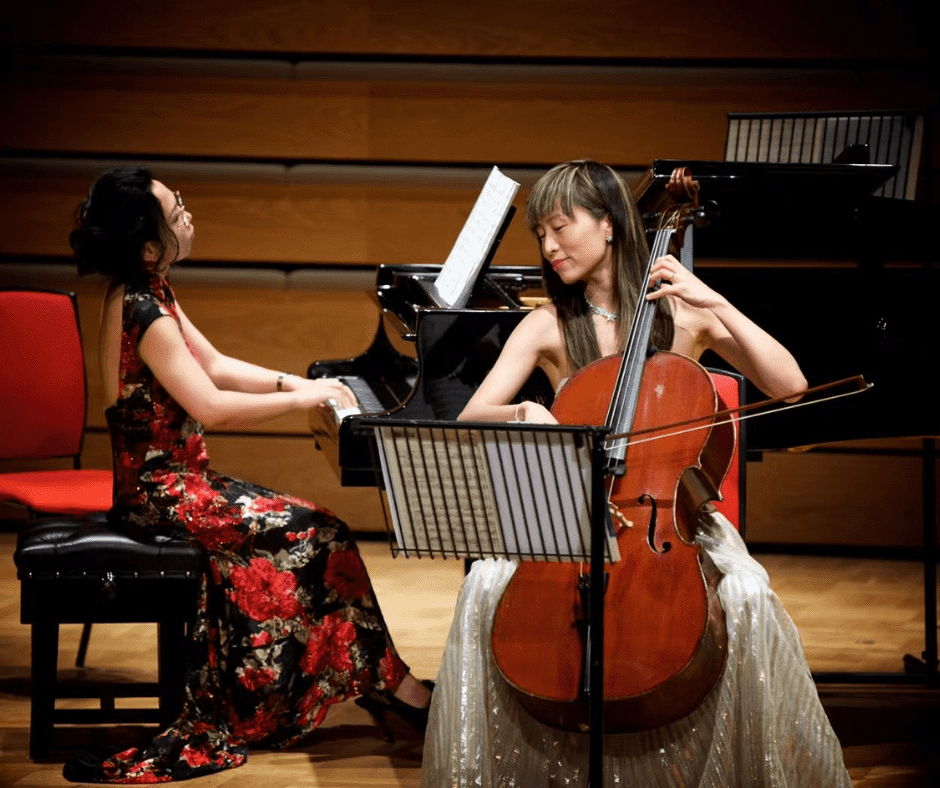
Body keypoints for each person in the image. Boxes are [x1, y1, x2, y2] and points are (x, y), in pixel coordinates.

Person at [420, 160, 853, 786]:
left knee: (748, 596)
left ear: (611, 226)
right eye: (540, 234)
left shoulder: (687, 316)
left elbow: (790, 387)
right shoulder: (547, 324)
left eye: (561, 227)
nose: (549, 246)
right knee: (486, 586)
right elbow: (469, 419)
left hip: (667, 527)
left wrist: (715, 300)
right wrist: (526, 409)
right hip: (571, 524)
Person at [64, 167, 432, 783]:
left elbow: (215, 364)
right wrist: (304, 400)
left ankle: (383, 682)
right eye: (175, 210)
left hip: (178, 484)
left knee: (319, 527)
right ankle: (384, 688)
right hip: (162, 495)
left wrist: (302, 382)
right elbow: (211, 404)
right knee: (318, 532)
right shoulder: (145, 311)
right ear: (151, 244)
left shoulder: (148, 292)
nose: (188, 213)